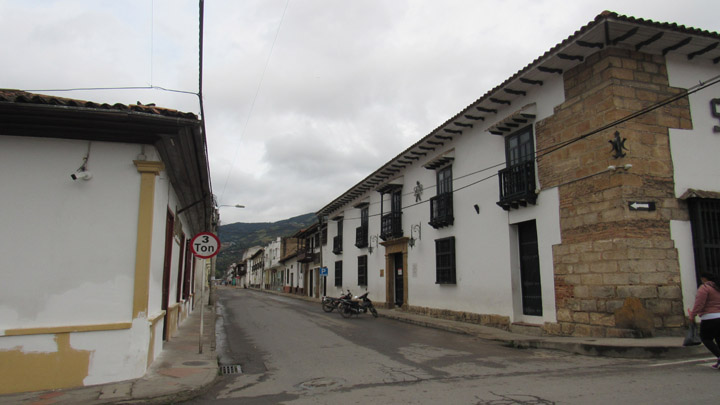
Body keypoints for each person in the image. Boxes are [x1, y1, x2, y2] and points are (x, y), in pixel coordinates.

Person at [688, 272, 720, 369]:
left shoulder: (705, 288)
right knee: (719, 339)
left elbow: (699, 304)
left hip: (709, 318)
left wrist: (692, 315)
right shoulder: (717, 287)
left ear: (704, 278)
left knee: (706, 338)